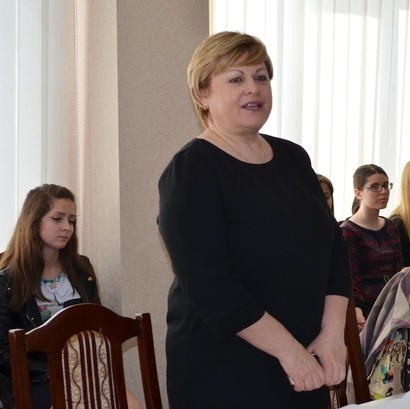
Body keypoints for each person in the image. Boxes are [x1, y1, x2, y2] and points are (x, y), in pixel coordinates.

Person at [157, 31, 351, 408]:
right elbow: (210, 284)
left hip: (304, 354)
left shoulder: (294, 158)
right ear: (202, 94)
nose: (253, 88)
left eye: (261, 76)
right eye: (236, 79)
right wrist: (289, 352)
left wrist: (332, 334)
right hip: (226, 369)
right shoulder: (191, 170)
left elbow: (334, 250)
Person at [0, 184, 142, 409]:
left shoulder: (82, 269)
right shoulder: (6, 281)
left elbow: (98, 330)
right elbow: (3, 352)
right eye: (57, 219)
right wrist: (58, 369)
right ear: (33, 221)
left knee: (133, 406)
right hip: (34, 380)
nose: (67, 227)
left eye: (72, 220)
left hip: (86, 372)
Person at [340, 164, 403, 329]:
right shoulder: (348, 230)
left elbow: (399, 270)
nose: (383, 191)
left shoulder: (391, 226)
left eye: (385, 185)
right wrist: (357, 308)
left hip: (394, 303)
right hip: (368, 307)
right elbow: (352, 276)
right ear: (358, 193)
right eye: (374, 187)